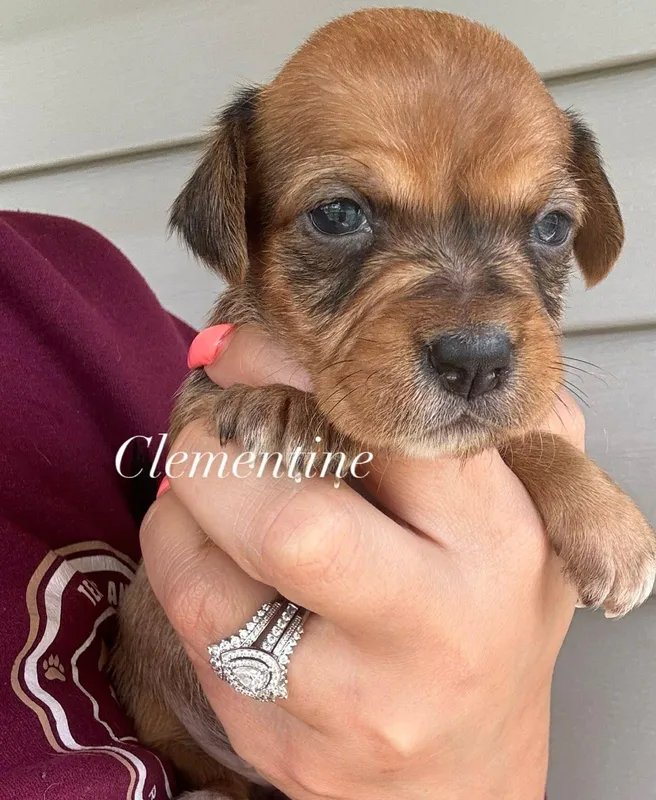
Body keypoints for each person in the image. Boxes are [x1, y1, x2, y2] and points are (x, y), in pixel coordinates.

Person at [0, 210, 581, 799]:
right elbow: (219, 420)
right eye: (339, 217)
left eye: (549, 227)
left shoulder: (72, 278)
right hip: (182, 734)